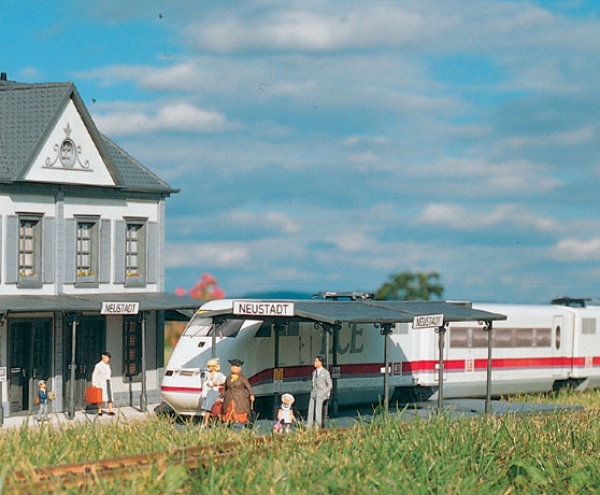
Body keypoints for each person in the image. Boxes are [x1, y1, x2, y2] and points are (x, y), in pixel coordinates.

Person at [221, 358, 255, 425]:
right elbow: (224, 388)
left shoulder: (243, 378)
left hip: (240, 398)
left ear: (239, 368)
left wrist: (251, 395)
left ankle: (240, 421)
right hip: (229, 398)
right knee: (228, 409)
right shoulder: (228, 378)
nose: (233, 368)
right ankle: (230, 421)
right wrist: (220, 396)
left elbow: (249, 387)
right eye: (232, 366)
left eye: (235, 367)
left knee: (239, 410)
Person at [306, 355, 332, 428]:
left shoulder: (325, 372)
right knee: (311, 409)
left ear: (321, 363)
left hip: (321, 392)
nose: (315, 362)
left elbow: (330, 385)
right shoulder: (314, 372)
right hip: (314, 391)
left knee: (318, 410)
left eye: (317, 361)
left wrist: (324, 392)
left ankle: (318, 425)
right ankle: (309, 425)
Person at [201, 358, 226, 427]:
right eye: (208, 366)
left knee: (216, 408)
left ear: (215, 366)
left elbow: (225, 382)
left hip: (215, 392)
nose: (209, 368)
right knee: (208, 408)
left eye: (211, 366)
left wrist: (217, 383)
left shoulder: (219, 375)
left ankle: (217, 422)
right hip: (209, 392)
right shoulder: (208, 374)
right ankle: (206, 422)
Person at [92, 351, 114, 416]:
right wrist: (94, 384)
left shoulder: (108, 366)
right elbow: (94, 375)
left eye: (109, 358)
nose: (108, 359)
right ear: (103, 357)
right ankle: (99, 410)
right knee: (100, 397)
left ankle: (110, 410)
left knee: (109, 396)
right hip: (101, 383)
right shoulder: (98, 365)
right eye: (107, 358)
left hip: (108, 382)